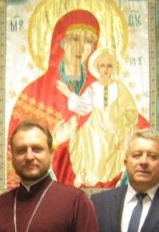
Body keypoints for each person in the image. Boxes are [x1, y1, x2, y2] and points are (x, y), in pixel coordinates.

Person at [8, 9, 99, 187]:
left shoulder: (102, 91)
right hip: (44, 192)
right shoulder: (33, 93)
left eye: (88, 41)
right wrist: (54, 141)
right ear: (62, 42)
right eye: (75, 39)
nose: (81, 48)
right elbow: (15, 155)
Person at [56, 48, 149, 187]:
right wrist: (68, 93)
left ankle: (103, 174)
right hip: (95, 123)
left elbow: (131, 111)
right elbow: (83, 106)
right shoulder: (93, 87)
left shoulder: (120, 88)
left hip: (115, 126)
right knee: (85, 138)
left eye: (109, 65)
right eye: (102, 65)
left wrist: (117, 122)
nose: (106, 69)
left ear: (114, 68)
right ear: (97, 68)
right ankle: (84, 174)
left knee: (117, 142)